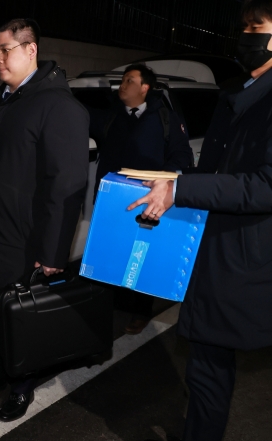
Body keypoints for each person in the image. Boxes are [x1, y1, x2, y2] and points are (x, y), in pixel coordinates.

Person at [131, 1, 272, 441]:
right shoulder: (235, 93)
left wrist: (184, 190)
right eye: (243, 28)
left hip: (244, 260)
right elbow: (212, 172)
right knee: (204, 372)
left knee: (211, 370)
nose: (246, 37)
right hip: (210, 253)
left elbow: (264, 186)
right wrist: (169, 180)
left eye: (257, 28)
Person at [0, 18, 89, 422]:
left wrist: (52, 251)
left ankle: (21, 387)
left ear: (31, 50)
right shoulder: (0, 103)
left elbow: (66, 186)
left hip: (23, 238)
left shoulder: (59, 106)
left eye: (5, 50)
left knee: (18, 317)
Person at [91, 64, 193, 335]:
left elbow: (182, 157)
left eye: (129, 80)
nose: (122, 85)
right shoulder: (112, 117)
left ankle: (141, 310)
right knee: (112, 249)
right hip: (113, 200)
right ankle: (112, 303)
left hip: (147, 199)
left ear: (145, 87)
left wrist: (165, 181)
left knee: (141, 252)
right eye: (122, 80)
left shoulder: (164, 118)